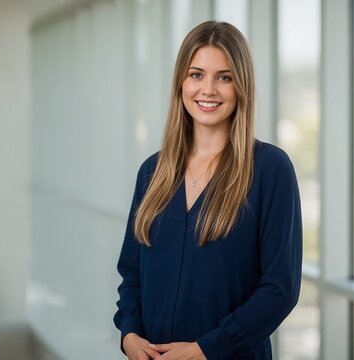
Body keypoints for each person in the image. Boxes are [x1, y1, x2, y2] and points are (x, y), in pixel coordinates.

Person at [113, 21, 302, 360]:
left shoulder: (270, 170)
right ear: (181, 83)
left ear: (241, 86)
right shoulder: (152, 173)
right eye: (197, 74)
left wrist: (204, 350)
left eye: (224, 77)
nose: (208, 89)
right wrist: (129, 333)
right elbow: (132, 272)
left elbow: (279, 290)